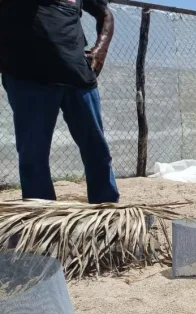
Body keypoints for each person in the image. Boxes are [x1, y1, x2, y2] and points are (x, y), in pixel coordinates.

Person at [0, 0, 119, 204]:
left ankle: (107, 210)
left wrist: (100, 51)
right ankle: (42, 219)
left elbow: (105, 14)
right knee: (33, 155)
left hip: (77, 76)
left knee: (97, 150)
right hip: (28, 77)